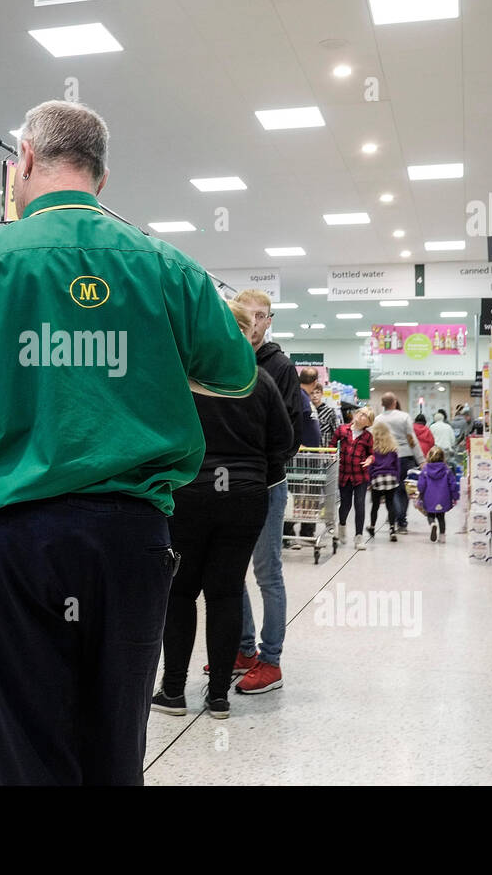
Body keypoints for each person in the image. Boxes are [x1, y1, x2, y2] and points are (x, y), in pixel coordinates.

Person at [0, 100, 258, 786]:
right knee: (114, 741)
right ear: (101, 177)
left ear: (22, 160)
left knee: (25, 743)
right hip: (134, 537)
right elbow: (235, 371)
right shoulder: (166, 267)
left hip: (17, 537)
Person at [154, 301, 293, 719]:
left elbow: (160, 438)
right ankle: (218, 697)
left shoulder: (182, 379)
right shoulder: (260, 381)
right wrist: (252, 474)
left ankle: (174, 691)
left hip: (189, 495)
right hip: (246, 498)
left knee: (180, 594)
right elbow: (283, 443)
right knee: (226, 591)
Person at [230, 289, 303, 695]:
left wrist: (254, 460)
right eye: (246, 316)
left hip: (267, 484)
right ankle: (243, 650)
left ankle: (270, 659)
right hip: (232, 487)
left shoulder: (280, 367)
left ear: (269, 320)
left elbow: (288, 436)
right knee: (230, 572)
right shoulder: (223, 361)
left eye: (260, 316)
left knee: (268, 573)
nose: (253, 324)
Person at [374, 392, 424, 534]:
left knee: (392, 489)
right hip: (405, 456)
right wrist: (421, 459)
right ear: (395, 402)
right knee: (403, 489)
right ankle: (402, 521)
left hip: (386, 457)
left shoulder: (378, 419)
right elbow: (411, 439)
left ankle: (395, 518)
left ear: (383, 404)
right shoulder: (404, 417)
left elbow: (375, 439)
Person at [287, 368, 325, 550]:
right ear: (315, 381)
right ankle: (288, 533)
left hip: (310, 456)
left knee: (308, 493)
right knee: (296, 493)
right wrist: (297, 443)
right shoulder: (300, 396)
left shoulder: (304, 397)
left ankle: (306, 531)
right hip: (301, 457)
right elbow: (292, 421)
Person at [336, 406, 372, 550]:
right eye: (361, 413)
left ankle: (359, 537)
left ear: (368, 423)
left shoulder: (368, 437)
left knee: (360, 504)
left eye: (366, 416)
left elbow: (371, 453)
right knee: (345, 505)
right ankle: (342, 526)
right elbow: (332, 445)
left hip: (360, 476)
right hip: (344, 474)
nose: (361, 416)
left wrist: (370, 459)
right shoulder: (342, 430)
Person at [365, 419, 401, 543]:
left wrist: (369, 482)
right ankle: (392, 529)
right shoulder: (392, 448)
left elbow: (370, 466)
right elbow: (397, 465)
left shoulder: (372, 449)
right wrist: (397, 477)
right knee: (390, 504)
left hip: (377, 478)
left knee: (375, 505)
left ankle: (372, 527)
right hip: (391, 478)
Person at [416, 446, 460, 542]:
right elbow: (453, 484)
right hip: (443, 497)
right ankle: (442, 536)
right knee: (441, 517)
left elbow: (421, 485)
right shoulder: (447, 470)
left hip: (429, 497)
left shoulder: (425, 470)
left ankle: (432, 524)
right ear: (443, 457)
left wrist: (420, 492)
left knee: (430, 514)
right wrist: (455, 496)